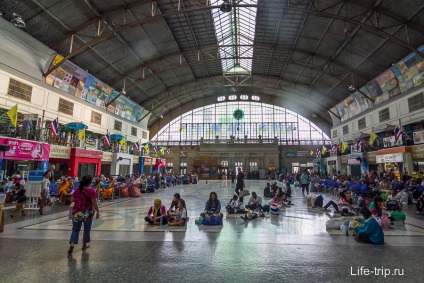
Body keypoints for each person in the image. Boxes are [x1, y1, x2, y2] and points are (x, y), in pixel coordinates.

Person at [68, 176, 100, 254]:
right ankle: (84, 244)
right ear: (89, 182)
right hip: (87, 213)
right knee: (87, 229)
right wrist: (98, 211)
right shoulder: (92, 191)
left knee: (75, 229)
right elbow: (94, 202)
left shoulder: (77, 190)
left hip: (76, 212)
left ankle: (72, 244)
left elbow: (72, 200)